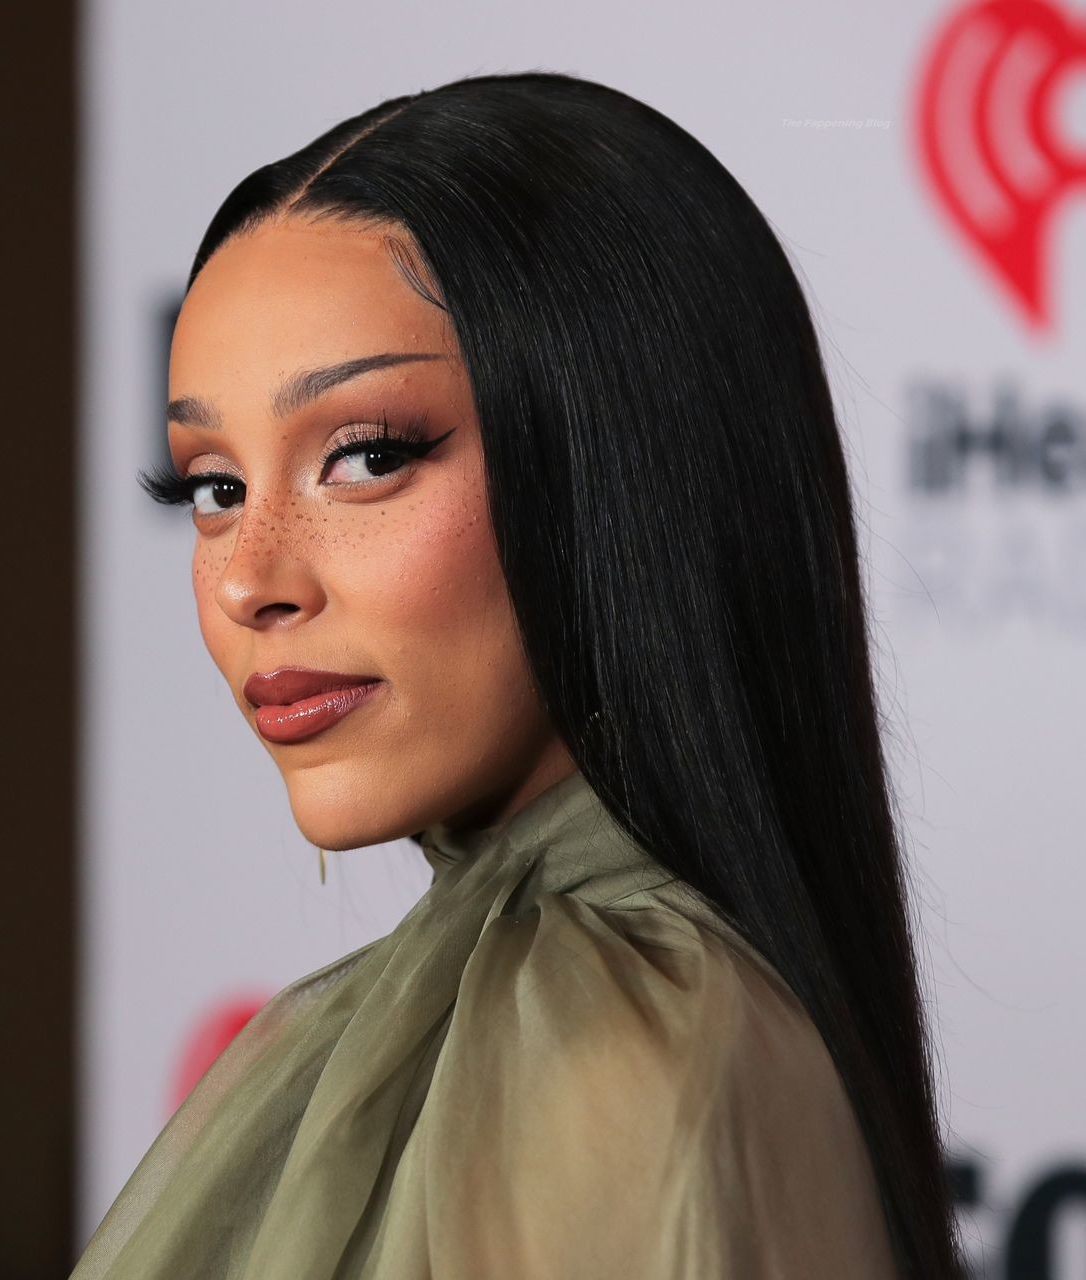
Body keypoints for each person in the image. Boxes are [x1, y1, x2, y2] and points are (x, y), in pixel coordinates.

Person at [76, 70, 965, 1279]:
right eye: (215, 486)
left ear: (618, 467)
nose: (249, 581)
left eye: (365, 456)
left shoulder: (613, 1045)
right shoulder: (515, 1017)